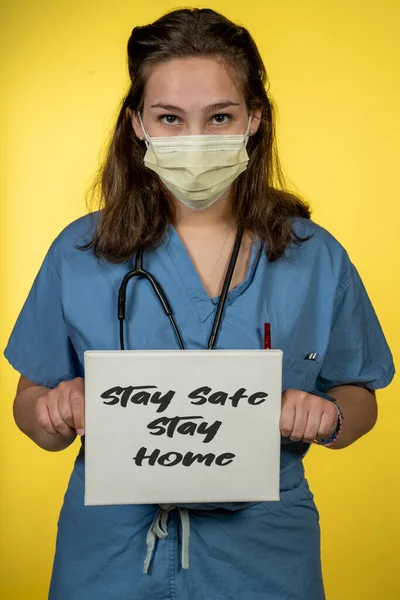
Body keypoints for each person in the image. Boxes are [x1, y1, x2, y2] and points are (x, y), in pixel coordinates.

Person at [4, 7, 395, 600]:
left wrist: (329, 417)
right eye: (169, 117)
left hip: (264, 558)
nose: (195, 140)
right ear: (138, 124)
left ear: (254, 119)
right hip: (109, 558)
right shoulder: (80, 251)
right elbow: (32, 407)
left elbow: (358, 396)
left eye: (219, 117)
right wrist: (53, 410)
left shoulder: (315, 256)